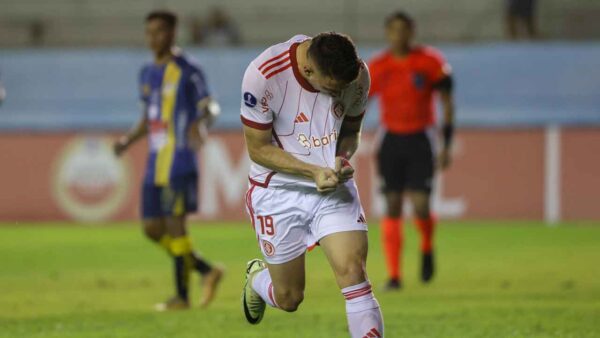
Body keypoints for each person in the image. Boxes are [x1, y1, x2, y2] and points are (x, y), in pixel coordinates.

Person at [240, 32, 384, 338]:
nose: (338, 96)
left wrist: (341, 159)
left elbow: (351, 132)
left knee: (353, 273)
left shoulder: (356, 75)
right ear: (307, 71)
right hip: (277, 191)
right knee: (290, 297)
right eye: (331, 90)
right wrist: (312, 172)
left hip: (331, 189)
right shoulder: (264, 75)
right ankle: (256, 280)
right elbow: (258, 149)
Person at [113, 10, 224, 311]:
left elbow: (210, 105)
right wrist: (126, 141)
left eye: (160, 31)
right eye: (149, 32)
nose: (153, 38)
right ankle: (205, 270)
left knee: (176, 227)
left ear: (173, 33)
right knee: (151, 228)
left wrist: (202, 121)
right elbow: (147, 119)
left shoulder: (188, 69)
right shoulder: (146, 73)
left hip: (179, 160)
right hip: (154, 162)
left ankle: (182, 298)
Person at [368, 11, 456, 290]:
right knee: (392, 205)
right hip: (391, 140)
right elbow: (360, 102)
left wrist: (446, 144)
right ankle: (394, 276)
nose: (398, 35)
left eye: (403, 30)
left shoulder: (430, 62)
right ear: (387, 33)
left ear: (411, 32)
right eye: (393, 30)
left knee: (420, 206)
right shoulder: (378, 66)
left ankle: (427, 246)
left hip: (420, 139)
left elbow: (447, 102)